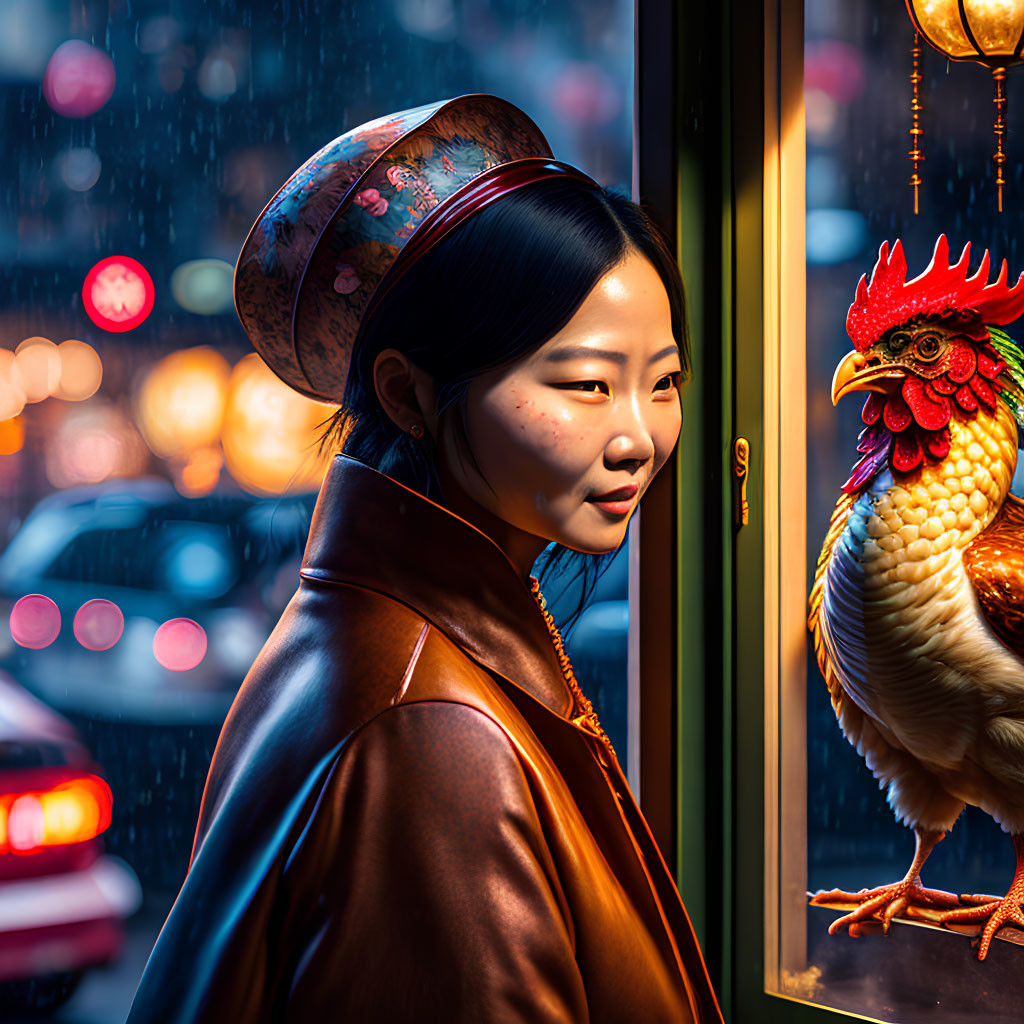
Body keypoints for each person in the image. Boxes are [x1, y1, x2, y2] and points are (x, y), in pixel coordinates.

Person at [127, 94, 723, 1023]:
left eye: (665, 382)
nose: (640, 436)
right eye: (588, 386)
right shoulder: (433, 731)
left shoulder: (363, 624)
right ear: (409, 393)